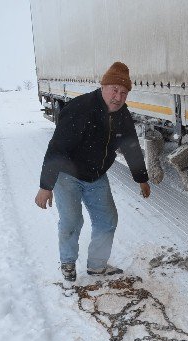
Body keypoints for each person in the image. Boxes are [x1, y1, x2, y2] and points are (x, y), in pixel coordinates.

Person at [35, 61, 150, 282]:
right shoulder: (80, 108)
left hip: (96, 176)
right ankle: (68, 262)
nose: (118, 97)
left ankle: (97, 266)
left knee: (107, 220)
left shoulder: (122, 115)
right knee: (72, 221)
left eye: (124, 93)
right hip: (67, 176)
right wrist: (45, 186)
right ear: (103, 86)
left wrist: (141, 178)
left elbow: (132, 147)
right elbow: (57, 148)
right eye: (114, 90)